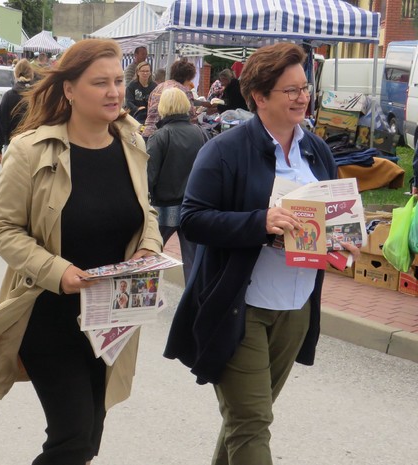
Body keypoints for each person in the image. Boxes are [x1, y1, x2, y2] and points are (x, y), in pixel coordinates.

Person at [0, 38, 163, 465]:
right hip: (47, 313)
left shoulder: (131, 141)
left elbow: (145, 209)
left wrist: (149, 247)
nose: (114, 92)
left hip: (110, 315)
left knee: (88, 437)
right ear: (70, 89)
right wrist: (58, 271)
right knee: (72, 437)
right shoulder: (30, 149)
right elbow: (3, 229)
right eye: (100, 82)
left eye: (119, 81)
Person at [163, 42, 360, 465]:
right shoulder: (224, 150)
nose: (302, 97)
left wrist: (341, 239)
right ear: (259, 97)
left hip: (296, 307)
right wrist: (260, 222)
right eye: (291, 90)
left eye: (305, 88)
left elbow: (329, 216)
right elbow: (192, 220)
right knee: (252, 421)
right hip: (240, 306)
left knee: (246, 419)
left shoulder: (317, 151)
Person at [146, 87, 207, 283]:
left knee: (150, 254)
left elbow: (149, 175)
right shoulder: (200, 133)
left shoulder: (160, 136)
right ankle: (194, 296)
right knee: (193, 260)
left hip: (165, 206)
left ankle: (148, 293)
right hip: (194, 205)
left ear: (163, 107)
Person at [142, 60, 199, 139]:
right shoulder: (184, 92)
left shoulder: (157, 88)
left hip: (148, 133)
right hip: (168, 137)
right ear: (188, 78)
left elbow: (150, 110)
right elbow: (192, 119)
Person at [0, 58, 33, 164]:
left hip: (12, 144)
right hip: (34, 145)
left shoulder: (9, 95)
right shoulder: (38, 95)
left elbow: (2, 123)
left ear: (15, 74)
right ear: (31, 74)